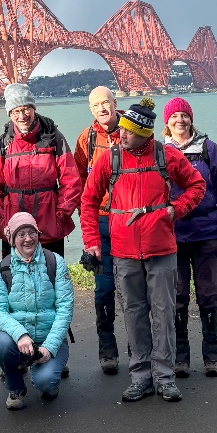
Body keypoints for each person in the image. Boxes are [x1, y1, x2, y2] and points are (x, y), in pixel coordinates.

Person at [79, 97, 205, 403]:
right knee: (134, 313)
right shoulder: (110, 159)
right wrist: (92, 242)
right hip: (123, 250)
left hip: (161, 247)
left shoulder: (167, 155)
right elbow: (88, 201)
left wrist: (176, 209)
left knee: (164, 312)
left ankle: (165, 377)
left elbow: (197, 186)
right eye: (121, 130)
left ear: (146, 134)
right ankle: (140, 376)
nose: (121, 135)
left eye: (129, 131)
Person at [163, 98, 217, 377]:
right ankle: (181, 357)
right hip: (174, 235)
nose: (180, 120)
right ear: (167, 123)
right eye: (175, 116)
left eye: (184, 115)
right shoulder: (161, 152)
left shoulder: (208, 149)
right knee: (178, 296)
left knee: (208, 295)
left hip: (207, 233)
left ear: (191, 120)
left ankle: (212, 356)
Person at [0, 82, 82, 259]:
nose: (22, 116)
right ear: (9, 113)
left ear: (33, 108)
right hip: (13, 229)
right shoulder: (3, 143)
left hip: (49, 228)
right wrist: (2, 221)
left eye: (26, 109)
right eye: (16, 111)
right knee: (15, 284)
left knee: (51, 281)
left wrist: (59, 217)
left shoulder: (53, 138)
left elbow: (72, 181)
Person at [0, 212, 74, 410]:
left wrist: (50, 347)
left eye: (32, 232)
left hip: (49, 338)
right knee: (1, 345)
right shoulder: (2, 268)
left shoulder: (55, 262)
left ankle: (49, 371)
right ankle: (15, 388)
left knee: (45, 382)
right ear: (12, 239)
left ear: (38, 234)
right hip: (20, 340)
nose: (28, 239)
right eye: (21, 234)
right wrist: (20, 335)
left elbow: (65, 308)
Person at [73, 85, 123, 374]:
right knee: (104, 289)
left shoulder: (132, 131)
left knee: (133, 290)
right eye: (96, 105)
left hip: (130, 221)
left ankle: (138, 349)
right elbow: (81, 184)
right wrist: (88, 226)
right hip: (103, 221)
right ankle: (107, 348)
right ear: (91, 110)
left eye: (106, 102)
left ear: (116, 103)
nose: (102, 108)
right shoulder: (86, 139)